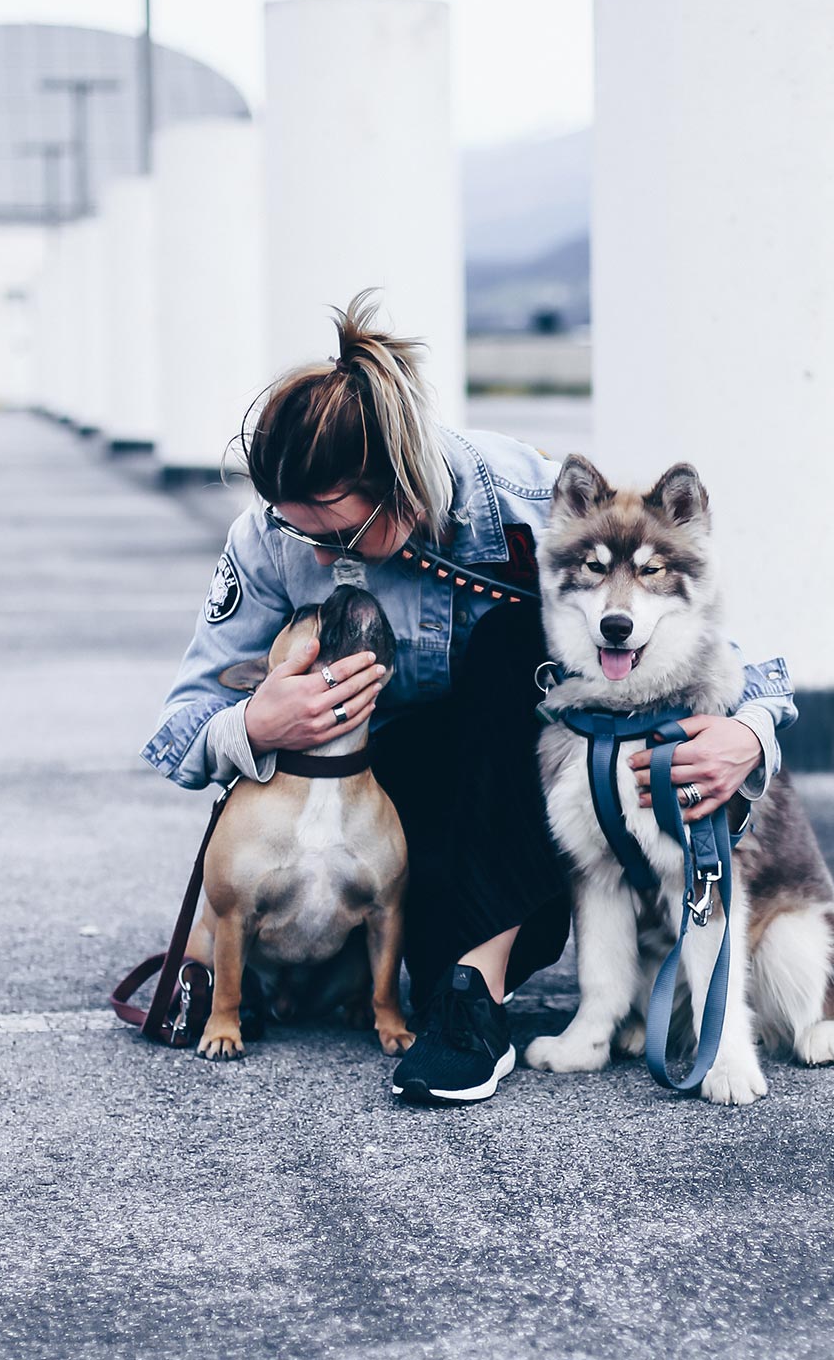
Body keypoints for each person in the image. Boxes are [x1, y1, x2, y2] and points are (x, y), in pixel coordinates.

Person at [141, 292, 796, 1105]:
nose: (314, 555)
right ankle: (398, 968)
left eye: (338, 536)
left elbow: (728, 654)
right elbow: (174, 730)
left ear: (403, 491)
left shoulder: (527, 496)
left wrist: (751, 740)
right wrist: (255, 720)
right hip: (376, 814)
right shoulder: (271, 539)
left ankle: (472, 1001)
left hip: (511, 804)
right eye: (298, 532)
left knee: (513, 645)